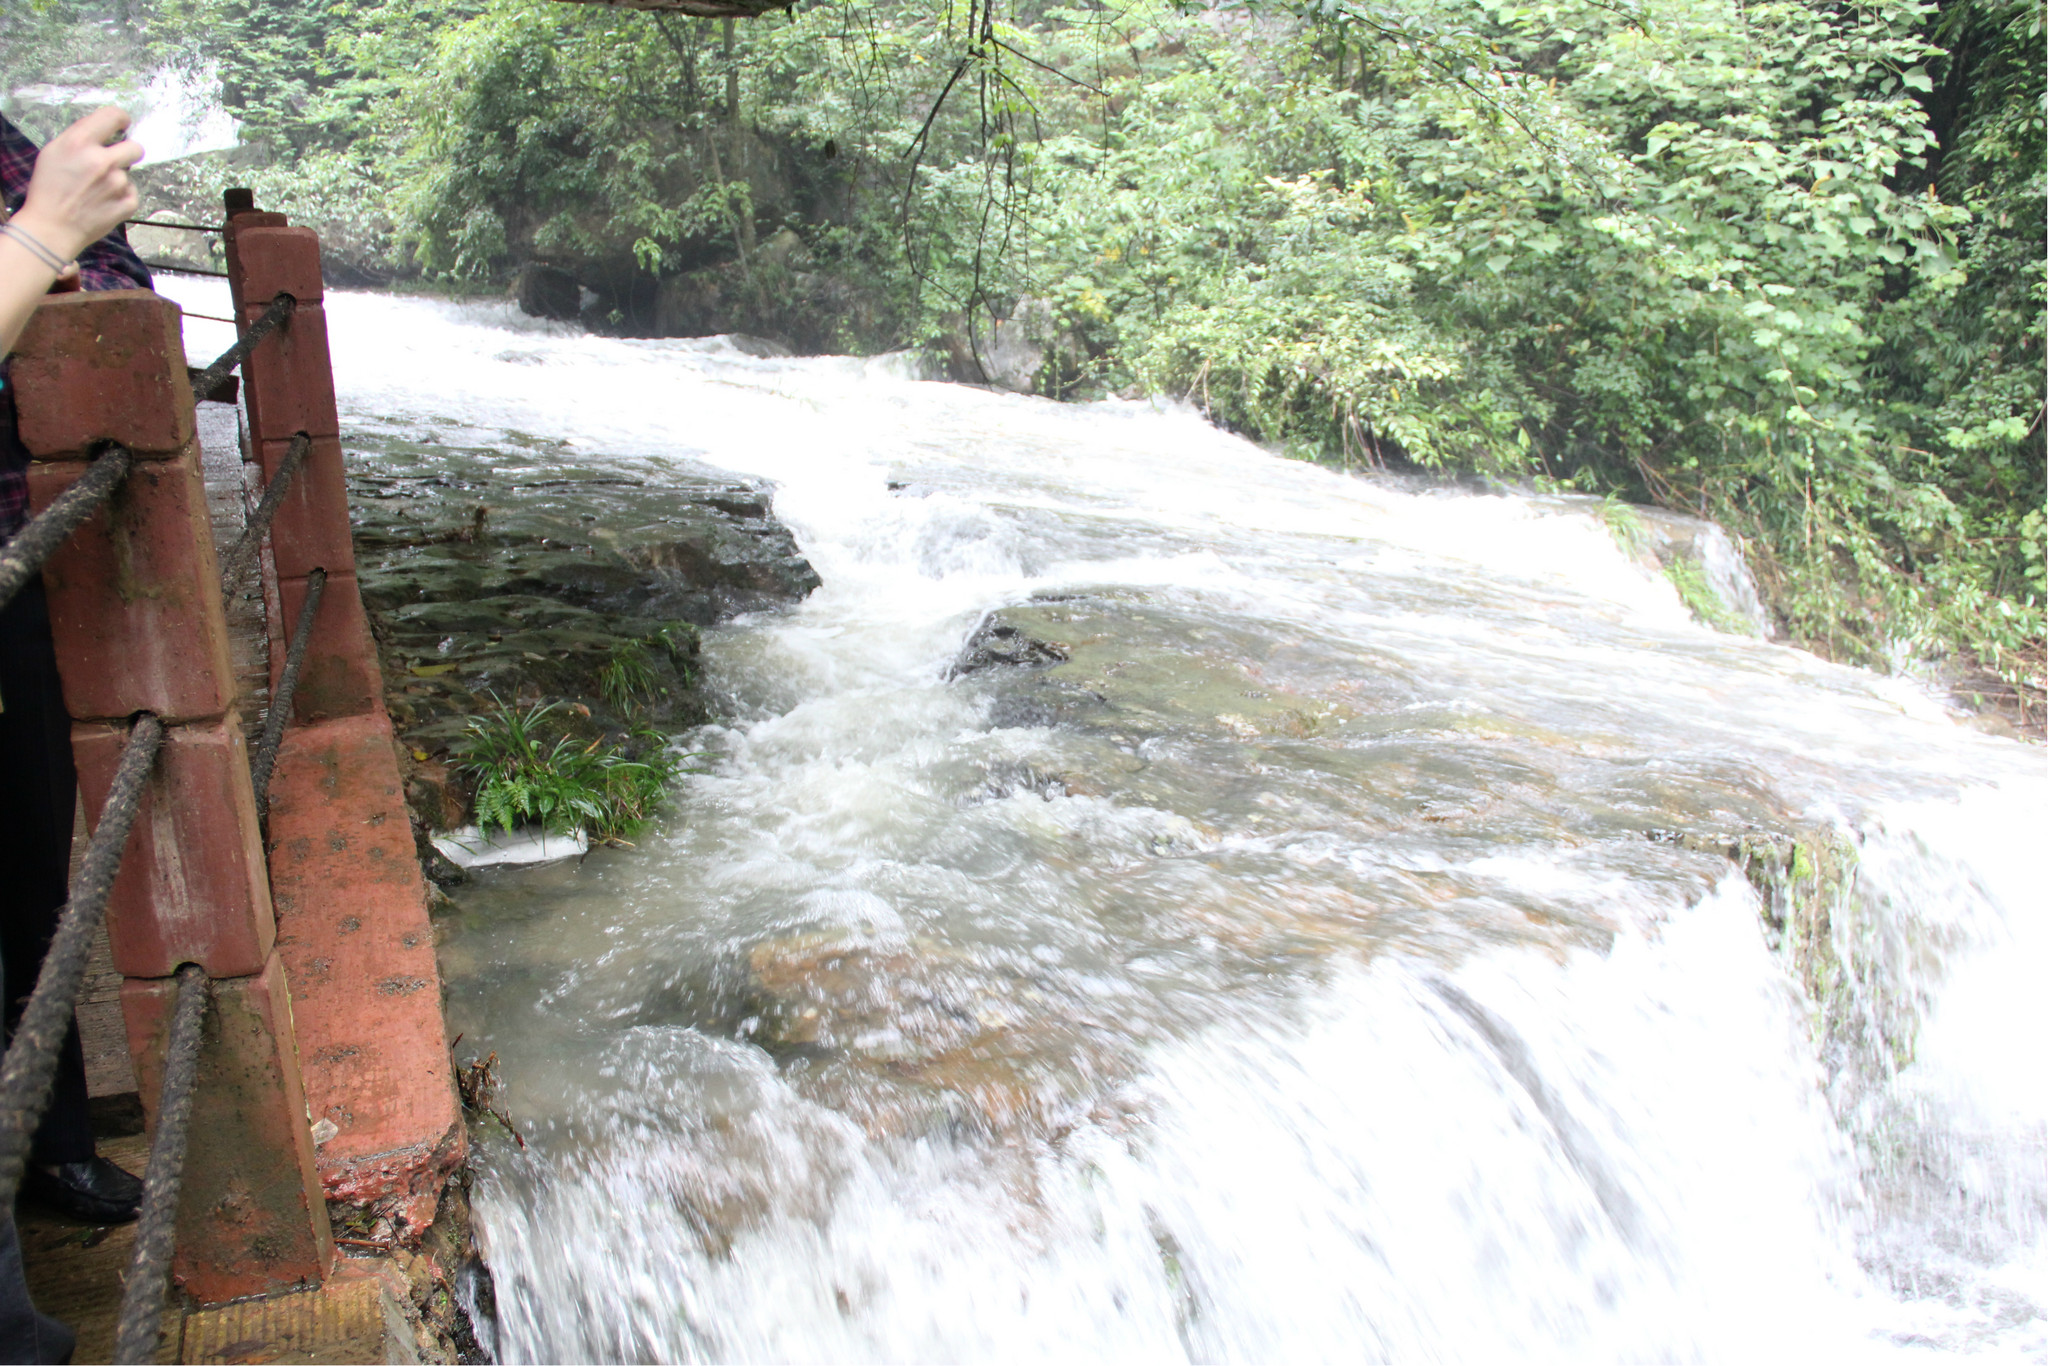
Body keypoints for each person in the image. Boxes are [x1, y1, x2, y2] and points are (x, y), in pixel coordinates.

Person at [0, 105, 151, 1249]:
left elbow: (124, 297)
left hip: (20, 570)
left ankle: (48, 1142)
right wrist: (45, 231)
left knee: (29, 873)